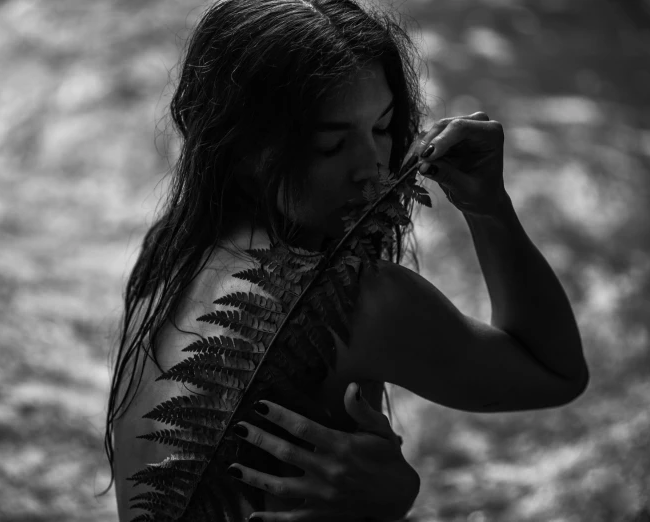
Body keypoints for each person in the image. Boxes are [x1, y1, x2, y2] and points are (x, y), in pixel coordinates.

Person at [102, 0, 590, 520]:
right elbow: (554, 372)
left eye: (382, 128)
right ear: (243, 149)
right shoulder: (363, 300)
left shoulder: (170, 255)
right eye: (332, 146)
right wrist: (490, 207)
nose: (373, 168)